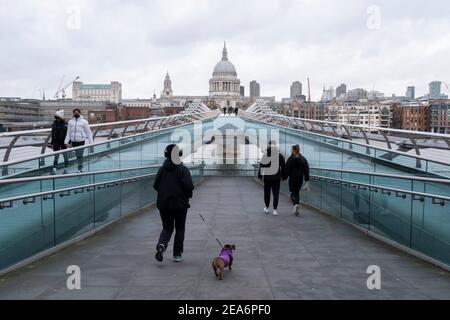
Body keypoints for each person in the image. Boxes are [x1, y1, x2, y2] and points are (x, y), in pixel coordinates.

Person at [154, 144, 194, 263]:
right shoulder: (183, 169)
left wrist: (164, 194)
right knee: (180, 228)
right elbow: (189, 186)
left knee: (167, 228)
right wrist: (186, 196)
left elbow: (156, 185)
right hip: (180, 205)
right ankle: (177, 254)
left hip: (163, 204)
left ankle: (162, 245)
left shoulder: (162, 169)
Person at [258, 141, 286, 216]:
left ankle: (267, 208)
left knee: (267, 193)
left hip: (267, 178)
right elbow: (283, 167)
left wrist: (260, 176)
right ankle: (275, 210)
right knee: (276, 194)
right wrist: (284, 176)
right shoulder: (279, 155)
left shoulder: (265, 155)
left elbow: (261, 166)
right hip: (276, 178)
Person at [64, 109, 93, 173]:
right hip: (73, 141)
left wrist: (91, 143)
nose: (76, 114)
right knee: (74, 155)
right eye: (75, 113)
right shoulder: (70, 122)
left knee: (79, 155)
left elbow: (88, 132)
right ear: (73, 114)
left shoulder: (84, 122)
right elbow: (68, 132)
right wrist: (66, 142)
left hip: (80, 141)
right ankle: (67, 168)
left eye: (77, 113)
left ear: (80, 113)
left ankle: (80, 168)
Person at [285, 144, 310, 216]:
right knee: (297, 192)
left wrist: (285, 177)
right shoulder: (303, 159)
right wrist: (306, 179)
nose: (290, 150)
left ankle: (295, 204)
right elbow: (306, 169)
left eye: (291, 149)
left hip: (292, 178)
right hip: (300, 179)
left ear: (294, 150)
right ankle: (297, 204)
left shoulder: (290, 159)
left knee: (292, 192)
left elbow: (287, 169)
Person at [51, 110, 69, 175]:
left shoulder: (65, 124)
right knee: (56, 155)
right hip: (56, 141)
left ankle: (66, 168)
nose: (57, 119)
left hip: (63, 141)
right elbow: (53, 134)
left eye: (58, 117)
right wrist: (52, 142)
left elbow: (68, 134)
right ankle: (54, 168)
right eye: (56, 117)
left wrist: (68, 142)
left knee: (65, 155)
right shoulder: (54, 124)